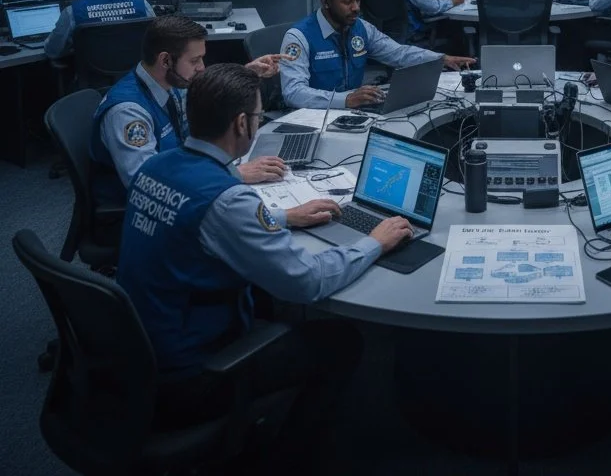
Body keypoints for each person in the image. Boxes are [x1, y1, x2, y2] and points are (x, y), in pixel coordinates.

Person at [116, 63, 413, 449]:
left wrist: (285, 217)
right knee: (341, 341)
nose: (259, 123)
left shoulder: (156, 164)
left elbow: (199, 219)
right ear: (242, 124)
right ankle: (289, 460)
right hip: (188, 378)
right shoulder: (228, 200)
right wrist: (375, 241)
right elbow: (306, 282)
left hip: (138, 351)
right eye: (258, 116)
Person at [90, 14, 284, 208]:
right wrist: (234, 173)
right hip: (142, 212)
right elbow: (147, 185)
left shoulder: (169, 81)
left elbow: (208, 92)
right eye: (195, 61)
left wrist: (247, 73)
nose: (202, 68)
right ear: (165, 60)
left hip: (181, 179)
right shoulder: (128, 113)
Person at [279, 0, 475, 110]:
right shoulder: (299, 37)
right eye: (347, 2)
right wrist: (345, 100)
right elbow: (293, 93)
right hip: (314, 118)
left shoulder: (361, 28)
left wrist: (440, 59)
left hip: (353, 113)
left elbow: (399, 53)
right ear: (326, 3)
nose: (356, 8)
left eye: (358, 0)